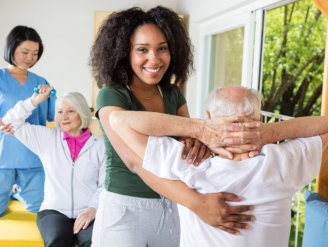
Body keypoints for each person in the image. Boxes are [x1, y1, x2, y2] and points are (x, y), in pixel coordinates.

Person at [90, 6, 260, 247]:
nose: (155, 59)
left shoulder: (172, 93)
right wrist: (198, 203)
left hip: (174, 207)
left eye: (162, 48)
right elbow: (136, 161)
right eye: (142, 50)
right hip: (124, 210)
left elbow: (188, 145)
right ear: (123, 53)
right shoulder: (111, 96)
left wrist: (196, 143)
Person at [109, 85, 328, 247]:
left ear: (209, 117)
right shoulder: (281, 162)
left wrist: (199, 129)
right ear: (259, 121)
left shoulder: (190, 161)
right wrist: (272, 133)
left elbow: (119, 121)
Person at [0, 25, 55, 220]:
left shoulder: (41, 82)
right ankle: (8, 190)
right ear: (11, 48)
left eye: (35, 53)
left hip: (32, 156)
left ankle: (16, 192)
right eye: (25, 51)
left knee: (39, 209)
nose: (30, 58)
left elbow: (52, 116)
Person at [1, 86, 106, 247]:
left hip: (89, 209)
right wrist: (34, 101)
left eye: (70, 111)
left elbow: (105, 184)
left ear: (82, 112)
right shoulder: (46, 139)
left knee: (93, 242)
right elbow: (8, 122)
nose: (64, 117)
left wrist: (93, 209)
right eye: (59, 112)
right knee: (57, 242)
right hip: (54, 210)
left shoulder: (100, 146)